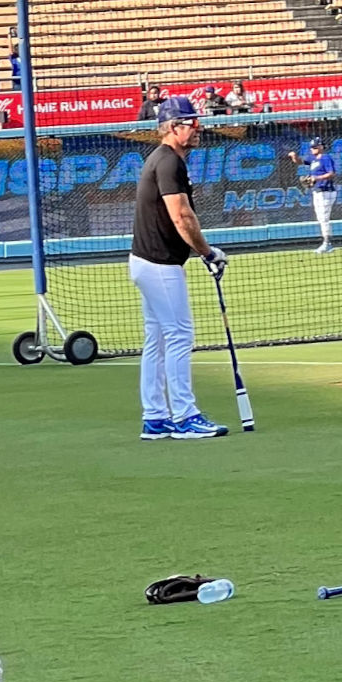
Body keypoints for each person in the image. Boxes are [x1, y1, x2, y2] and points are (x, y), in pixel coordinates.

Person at [130, 96, 230, 440]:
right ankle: (185, 416)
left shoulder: (163, 159)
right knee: (179, 335)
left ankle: (155, 418)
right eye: (190, 123)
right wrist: (207, 252)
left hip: (146, 261)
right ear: (173, 128)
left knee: (157, 339)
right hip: (159, 263)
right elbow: (182, 216)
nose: (198, 128)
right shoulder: (169, 162)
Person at [286, 136, 339, 254]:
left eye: (314, 147)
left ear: (321, 147)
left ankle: (327, 243)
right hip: (317, 192)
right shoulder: (313, 159)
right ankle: (326, 242)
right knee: (321, 218)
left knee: (324, 218)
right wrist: (294, 157)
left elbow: (332, 173)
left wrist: (317, 178)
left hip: (326, 191)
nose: (312, 149)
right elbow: (300, 161)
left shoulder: (325, 158)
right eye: (311, 147)